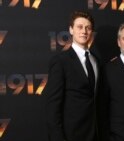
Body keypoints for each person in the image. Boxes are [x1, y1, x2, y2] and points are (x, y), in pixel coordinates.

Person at [43, 11, 99, 141]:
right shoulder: (61, 61)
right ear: (71, 30)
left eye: (88, 28)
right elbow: (53, 108)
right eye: (79, 27)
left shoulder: (95, 60)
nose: (84, 31)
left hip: (95, 134)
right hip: (71, 135)